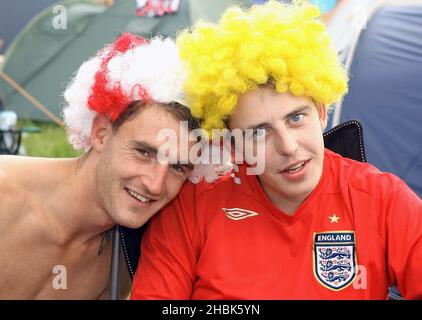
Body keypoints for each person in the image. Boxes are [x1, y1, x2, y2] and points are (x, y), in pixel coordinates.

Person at [130, 2, 422, 299]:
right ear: (232, 145)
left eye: (296, 118)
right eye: (259, 133)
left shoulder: (381, 199)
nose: (288, 146)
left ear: (321, 112)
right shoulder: (192, 206)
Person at [0, 33, 200, 299]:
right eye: (143, 152)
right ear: (101, 133)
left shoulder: (128, 255)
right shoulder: (5, 195)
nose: (155, 183)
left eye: (178, 167)